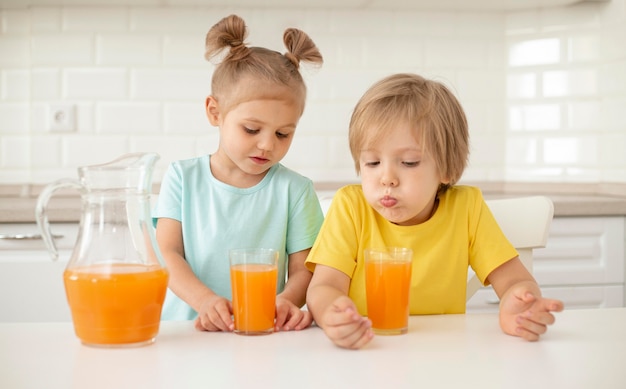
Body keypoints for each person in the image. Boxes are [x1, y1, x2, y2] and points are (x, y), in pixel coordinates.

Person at [305, 73, 564, 349]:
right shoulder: (351, 207)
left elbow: (515, 280)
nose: (387, 178)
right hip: (369, 348)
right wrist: (332, 313)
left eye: (408, 162)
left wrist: (520, 301)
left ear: (447, 169)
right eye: (372, 162)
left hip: (444, 353)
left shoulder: (467, 208)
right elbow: (323, 288)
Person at [153, 14, 324, 332]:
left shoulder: (295, 190)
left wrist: (287, 300)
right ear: (214, 112)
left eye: (283, 134)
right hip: (186, 333)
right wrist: (204, 300)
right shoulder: (182, 178)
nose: (266, 145)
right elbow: (168, 253)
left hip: (263, 331)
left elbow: (305, 271)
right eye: (251, 129)